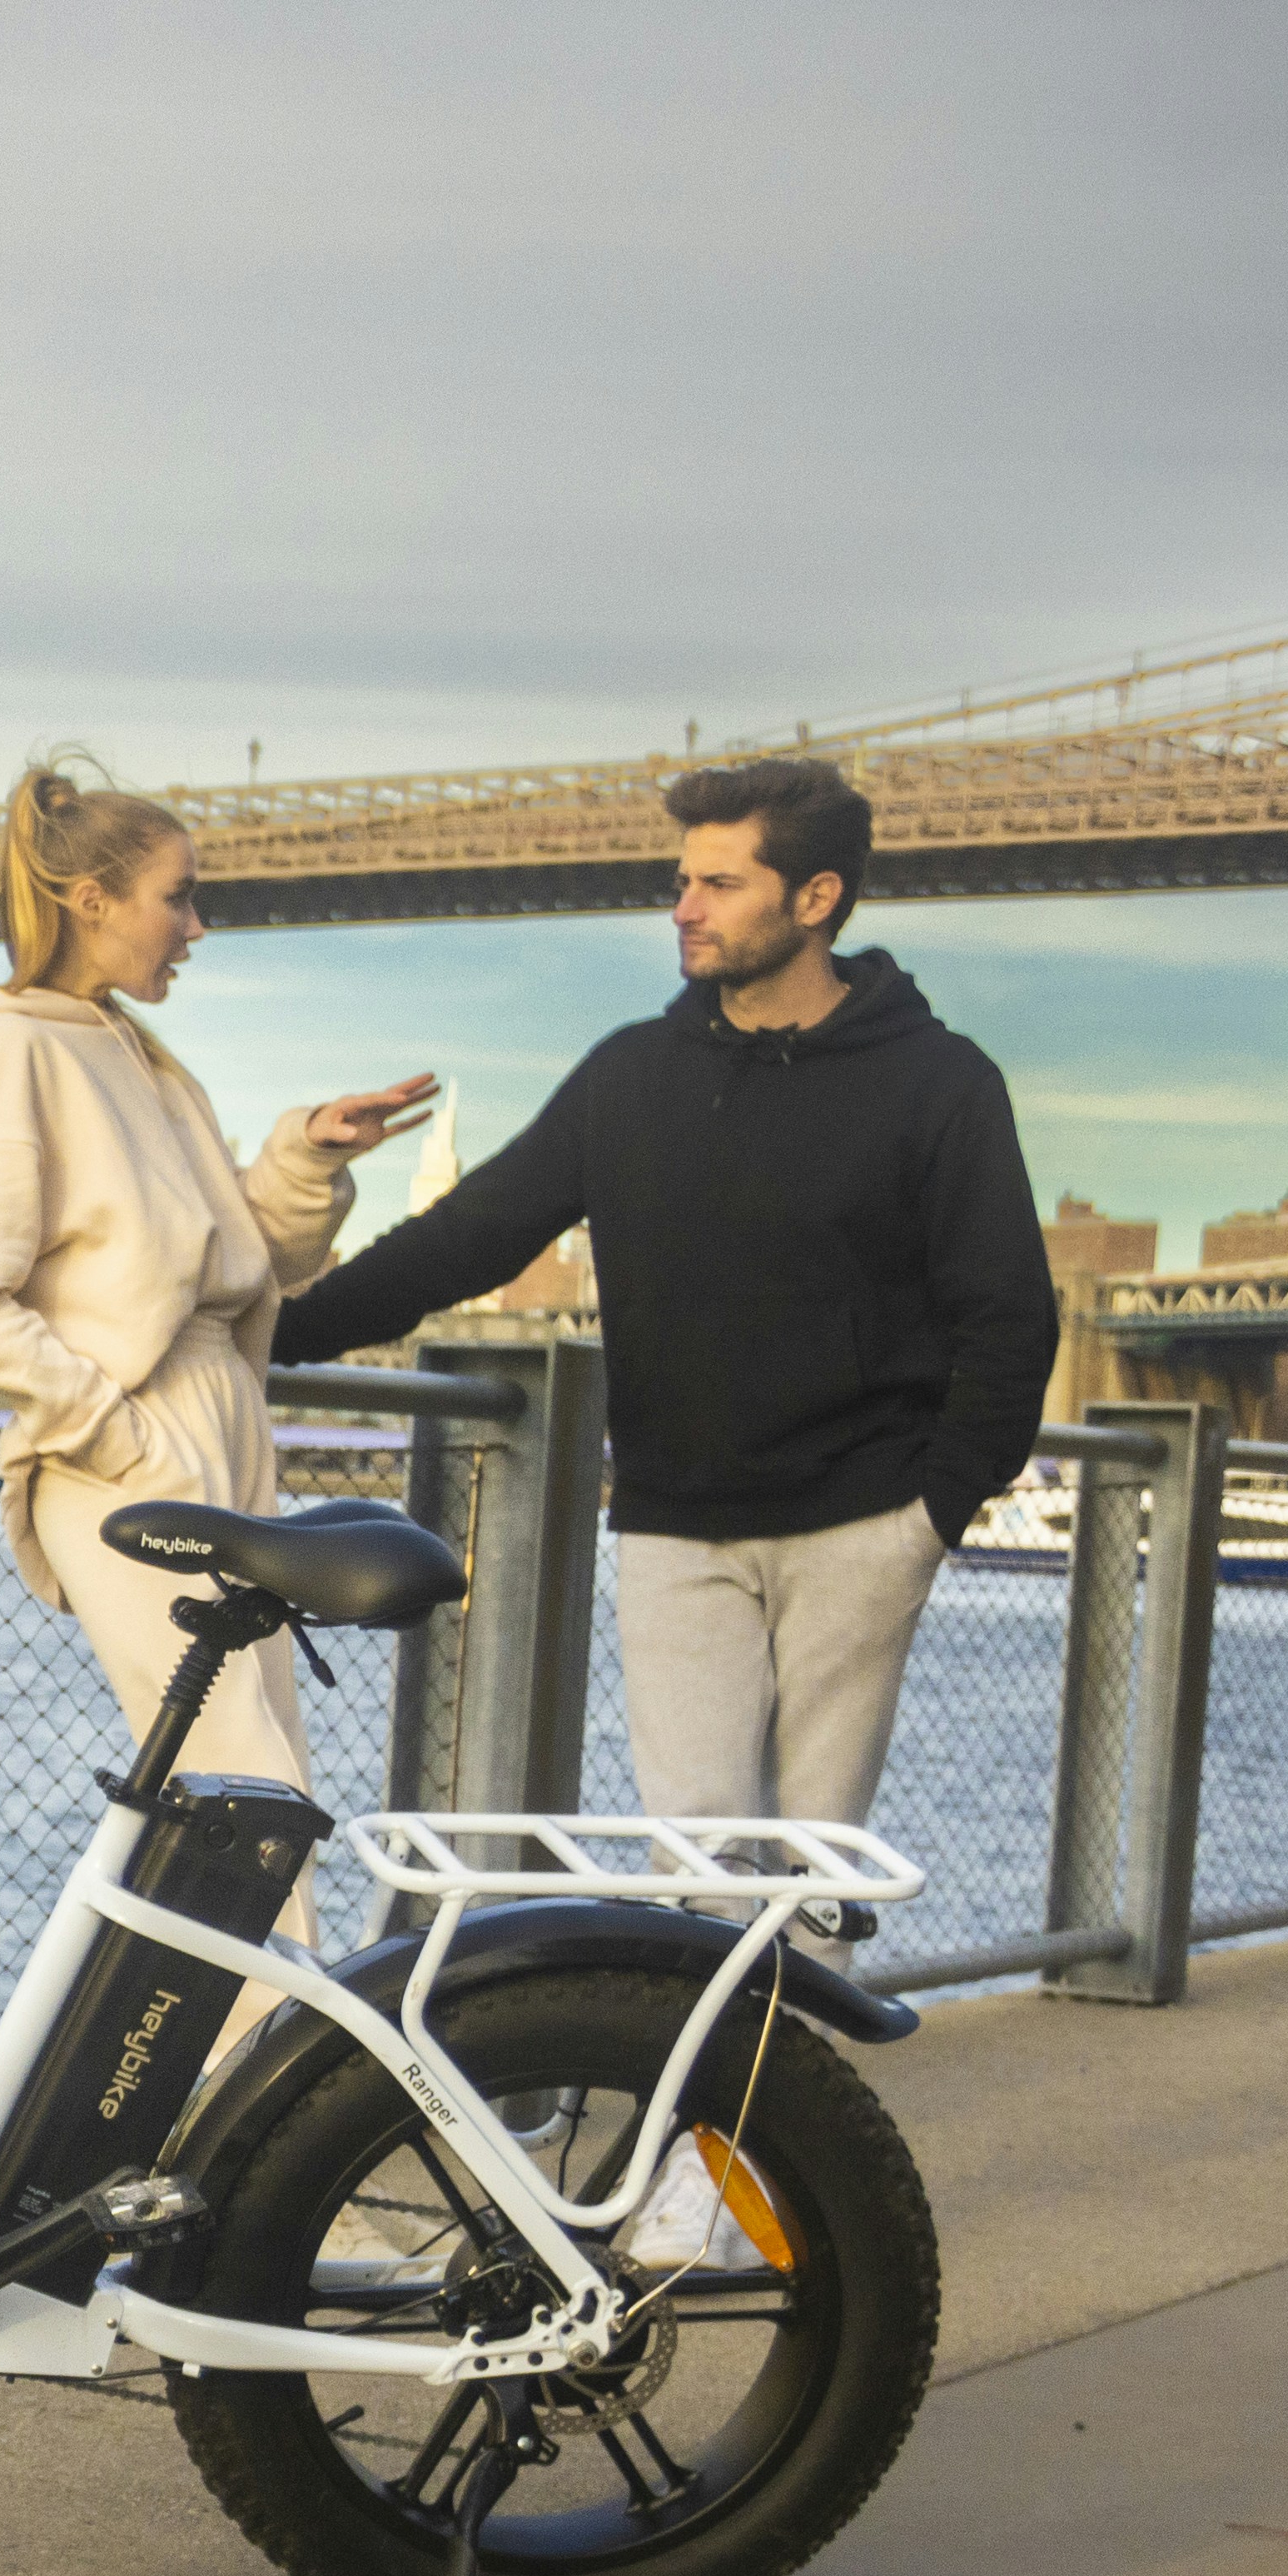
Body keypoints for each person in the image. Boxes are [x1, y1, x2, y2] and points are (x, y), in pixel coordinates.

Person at [272, 752, 1055, 1826]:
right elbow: (465, 1239)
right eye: (682, 881)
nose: (682, 909)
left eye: (719, 885)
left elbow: (1008, 1314)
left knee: (815, 1860)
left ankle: (808, 1954)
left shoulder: (939, 1082)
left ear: (815, 898)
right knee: (691, 1851)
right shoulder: (630, 1074)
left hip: (863, 1523)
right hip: (672, 1528)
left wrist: (930, 1515)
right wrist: (274, 1332)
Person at [0, 760, 436, 1795]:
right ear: (92, 901)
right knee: (240, 1781)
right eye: (176, 898)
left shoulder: (131, 1051)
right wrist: (111, 1430)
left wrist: (304, 1155)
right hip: (132, 1444)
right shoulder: (4, 1049)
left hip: (221, 1419)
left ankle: (162, 1912)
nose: (195, 926)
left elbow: (230, 1264)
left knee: (256, 1780)